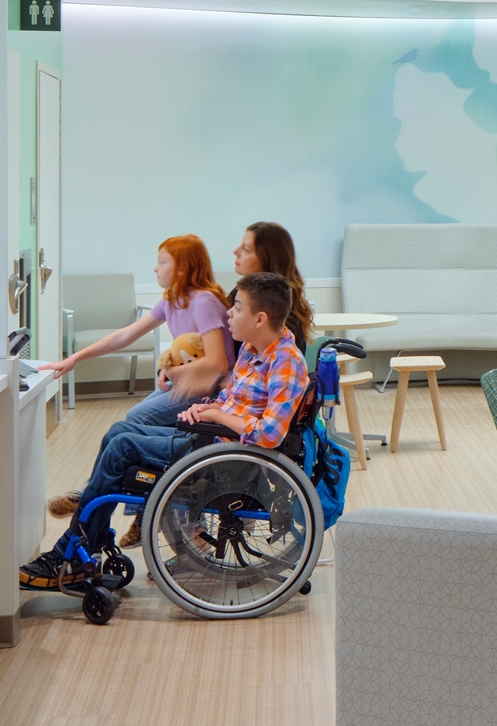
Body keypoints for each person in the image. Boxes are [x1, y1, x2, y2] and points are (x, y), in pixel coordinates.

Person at [23, 273, 312, 587]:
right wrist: (207, 407)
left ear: (260, 318)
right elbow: (232, 400)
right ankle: (89, 541)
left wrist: (217, 415)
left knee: (122, 448)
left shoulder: (285, 362)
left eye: (237, 308)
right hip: (211, 440)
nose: (228, 313)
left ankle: (74, 549)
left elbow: (269, 434)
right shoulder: (253, 350)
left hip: (229, 460)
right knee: (119, 430)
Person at [42, 236, 228, 524]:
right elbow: (125, 335)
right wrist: (76, 358)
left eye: (162, 262)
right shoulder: (172, 299)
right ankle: (104, 492)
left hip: (211, 392)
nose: (155, 268)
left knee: (137, 418)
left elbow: (218, 363)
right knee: (130, 421)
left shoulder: (204, 301)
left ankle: (139, 507)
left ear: (182, 268)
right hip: (185, 384)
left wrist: (173, 372)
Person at [232, 219, 315, 354]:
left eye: (246, 249)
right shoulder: (242, 292)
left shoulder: (282, 309)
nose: (235, 251)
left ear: (267, 258)